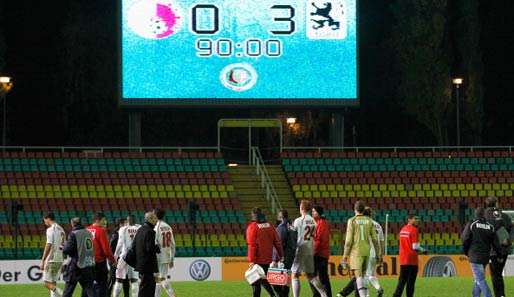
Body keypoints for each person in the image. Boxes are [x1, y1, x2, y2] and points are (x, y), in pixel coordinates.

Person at [341, 201, 381, 297]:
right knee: (363, 276)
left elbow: (348, 241)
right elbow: (375, 240)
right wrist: (379, 254)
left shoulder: (352, 221)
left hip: (356, 252)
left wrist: (344, 256)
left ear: (355, 209)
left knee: (358, 276)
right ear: (363, 210)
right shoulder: (369, 221)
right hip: (367, 252)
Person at [291, 200, 328, 297]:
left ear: (302, 208)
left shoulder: (298, 220)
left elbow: (293, 236)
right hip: (310, 250)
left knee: (294, 275)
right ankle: (323, 293)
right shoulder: (314, 222)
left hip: (300, 249)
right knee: (311, 276)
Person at [462, 207, 500, 297]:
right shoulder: (490, 227)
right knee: (477, 278)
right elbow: (496, 243)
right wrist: (499, 254)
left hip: (474, 256)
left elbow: (464, 238)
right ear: (484, 215)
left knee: (480, 279)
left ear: (476, 214)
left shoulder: (472, 224)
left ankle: (488, 295)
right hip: (485, 257)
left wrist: (466, 251)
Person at [246, 207, 283, 297]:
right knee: (264, 279)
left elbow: (252, 245)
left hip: (257, 259)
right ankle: (275, 294)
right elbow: (277, 242)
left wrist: (251, 260)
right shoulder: (270, 226)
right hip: (267, 259)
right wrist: (281, 255)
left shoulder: (252, 227)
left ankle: (274, 294)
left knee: (255, 282)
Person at [392, 213, 426, 297]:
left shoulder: (403, 229)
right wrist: (423, 250)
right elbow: (415, 247)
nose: (417, 220)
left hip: (403, 259)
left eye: (417, 218)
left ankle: (396, 295)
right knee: (411, 282)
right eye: (415, 218)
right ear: (409, 219)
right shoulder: (414, 230)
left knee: (402, 280)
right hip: (412, 260)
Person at [484, 196, 514, 297]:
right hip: (504, 250)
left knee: (495, 275)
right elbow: (510, 229)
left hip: (492, 250)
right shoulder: (504, 216)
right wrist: (508, 242)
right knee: (498, 274)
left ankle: (499, 295)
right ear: (496, 203)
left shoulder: (484, 216)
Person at [84, 213, 117, 297]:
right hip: (99, 263)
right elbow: (106, 249)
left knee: (88, 286)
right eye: (104, 220)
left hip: (87, 263)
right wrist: (113, 260)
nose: (105, 221)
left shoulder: (85, 230)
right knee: (102, 286)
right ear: (98, 220)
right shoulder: (101, 231)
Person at [62, 217, 96, 297]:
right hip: (88, 264)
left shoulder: (74, 233)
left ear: (72, 224)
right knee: (89, 289)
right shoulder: (88, 233)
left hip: (77, 265)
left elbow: (68, 250)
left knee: (68, 290)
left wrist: (63, 247)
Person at [113, 215, 141, 297]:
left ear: (128, 221)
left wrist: (115, 257)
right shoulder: (139, 228)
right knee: (134, 280)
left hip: (124, 257)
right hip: (135, 258)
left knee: (119, 279)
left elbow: (120, 244)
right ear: (135, 220)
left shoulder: (123, 229)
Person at [133, 212, 160, 297]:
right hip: (148, 265)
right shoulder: (150, 231)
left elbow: (133, 245)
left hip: (141, 264)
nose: (156, 220)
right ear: (150, 219)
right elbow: (150, 249)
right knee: (149, 288)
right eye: (155, 218)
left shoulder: (140, 229)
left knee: (144, 287)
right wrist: (157, 248)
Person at [271, 209, 296, 297]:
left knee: (276, 281)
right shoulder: (292, 227)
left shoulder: (281, 228)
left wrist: (275, 259)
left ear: (280, 217)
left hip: (283, 258)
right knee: (286, 282)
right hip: (290, 257)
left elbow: (279, 244)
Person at [40, 212, 65, 297]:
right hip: (60, 258)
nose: (44, 222)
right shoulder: (61, 229)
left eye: (44, 220)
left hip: (52, 259)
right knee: (53, 282)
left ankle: (63, 294)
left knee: (46, 282)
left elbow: (48, 244)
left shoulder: (50, 229)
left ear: (48, 218)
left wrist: (43, 260)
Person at [153, 209, 177, 297]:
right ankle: (172, 295)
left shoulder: (156, 227)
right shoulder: (168, 227)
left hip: (158, 257)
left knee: (158, 279)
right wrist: (172, 259)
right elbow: (173, 245)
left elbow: (154, 244)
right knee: (161, 278)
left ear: (155, 215)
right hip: (166, 256)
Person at [310, 206, 332, 297]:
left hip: (320, 254)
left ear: (318, 213)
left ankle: (322, 295)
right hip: (322, 253)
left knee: (320, 277)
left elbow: (318, 240)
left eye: (314, 211)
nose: (312, 213)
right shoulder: (322, 223)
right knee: (321, 277)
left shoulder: (321, 223)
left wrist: (313, 253)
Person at [108, 218, 129, 297]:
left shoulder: (123, 233)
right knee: (112, 280)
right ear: (121, 224)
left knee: (125, 281)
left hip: (123, 260)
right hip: (116, 261)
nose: (127, 224)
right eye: (125, 223)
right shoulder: (116, 235)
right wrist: (113, 260)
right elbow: (111, 248)